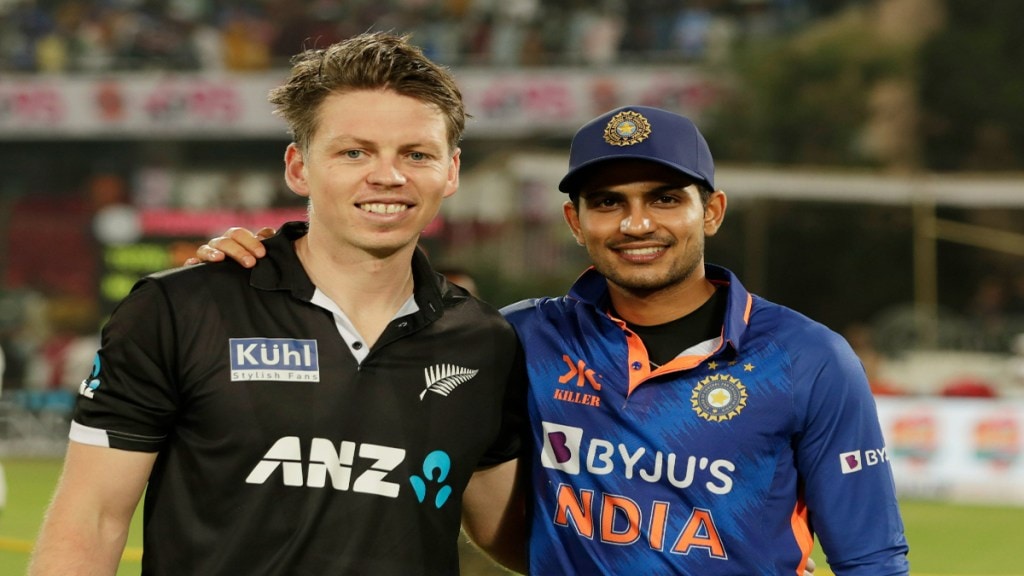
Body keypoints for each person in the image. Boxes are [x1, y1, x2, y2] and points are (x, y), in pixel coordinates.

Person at [197, 110, 903, 572]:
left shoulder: (807, 360)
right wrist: (269, 269)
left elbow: (871, 558)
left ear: (711, 211)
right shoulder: (521, 337)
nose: (636, 224)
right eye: (608, 203)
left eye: (664, 199)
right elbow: (369, 336)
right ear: (575, 221)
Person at [29, 32, 527, 576]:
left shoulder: (485, 340)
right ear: (298, 167)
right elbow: (91, 520)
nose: (388, 176)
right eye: (354, 152)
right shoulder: (180, 309)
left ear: (451, 171)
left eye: (417, 154)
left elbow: (513, 533)